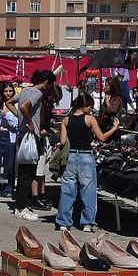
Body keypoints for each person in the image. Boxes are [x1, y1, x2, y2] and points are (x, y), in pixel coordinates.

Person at [57, 90, 119, 233]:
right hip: (85, 156)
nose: (91, 110)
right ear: (86, 106)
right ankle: (87, 223)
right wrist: (114, 128)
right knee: (88, 191)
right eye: (91, 107)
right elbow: (102, 138)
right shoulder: (90, 119)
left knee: (67, 191)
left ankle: (63, 222)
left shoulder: (66, 120)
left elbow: (62, 141)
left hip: (70, 157)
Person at [11, 70, 56, 221]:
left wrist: (20, 119)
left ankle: (22, 205)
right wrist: (30, 123)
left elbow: (9, 102)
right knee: (28, 173)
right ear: (46, 83)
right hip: (30, 135)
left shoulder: (25, 90)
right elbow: (24, 106)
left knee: (24, 172)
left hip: (21, 135)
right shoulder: (37, 93)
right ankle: (22, 207)